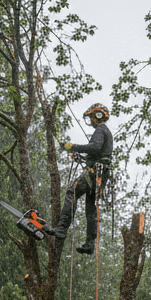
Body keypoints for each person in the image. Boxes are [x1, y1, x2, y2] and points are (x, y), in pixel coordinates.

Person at [45, 102, 113, 254]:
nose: (91, 121)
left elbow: (94, 147)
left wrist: (73, 146)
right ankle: (90, 244)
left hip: (94, 172)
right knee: (91, 207)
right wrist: (80, 156)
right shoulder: (106, 132)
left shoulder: (101, 129)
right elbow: (98, 153)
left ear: (98, 115)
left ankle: (61, 229)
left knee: (72, 191)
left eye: (92, 117)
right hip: (102, 174)